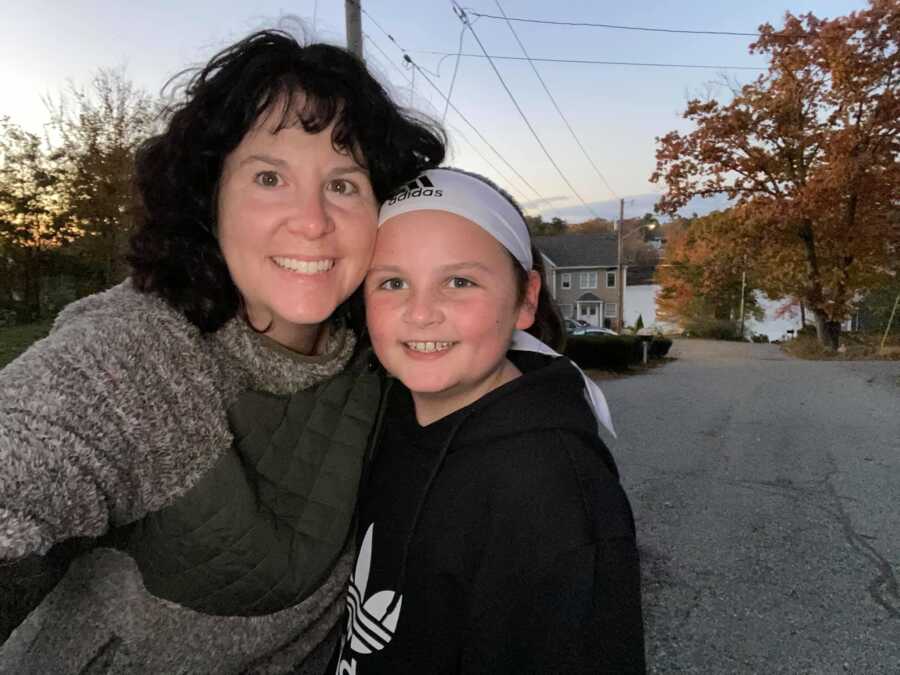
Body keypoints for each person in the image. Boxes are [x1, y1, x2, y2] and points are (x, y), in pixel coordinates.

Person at [0, 28, 444, 674]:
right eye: (270, 176)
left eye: (344, 184)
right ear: (211, 198)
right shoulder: (144, 351)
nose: (313, 219)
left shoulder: (390, 355)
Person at [333, 168, 645, 674]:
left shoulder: (552, 495)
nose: (420, 313)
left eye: (459, 281)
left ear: (525, 298)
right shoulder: (386, 417)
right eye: (392, 282)